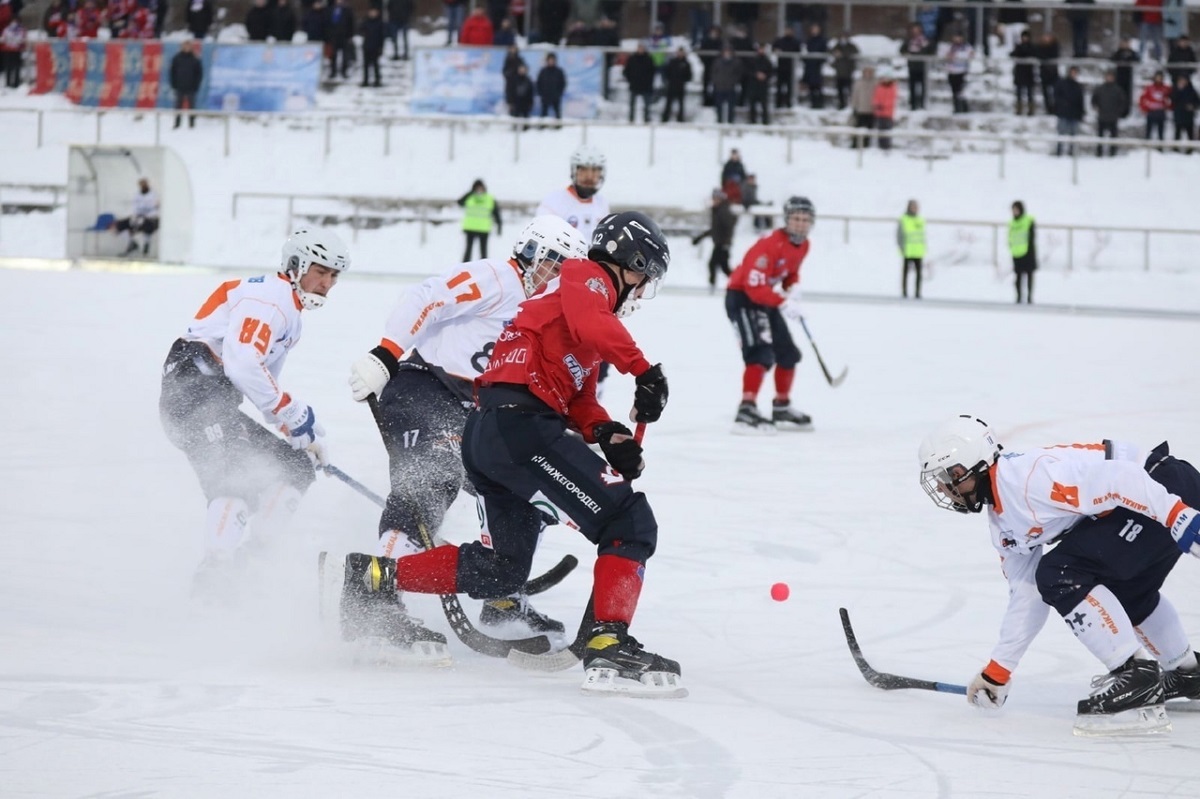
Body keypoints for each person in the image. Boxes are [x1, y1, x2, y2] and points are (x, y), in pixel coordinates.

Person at [339, 212, 684, 697]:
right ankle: (609, 643)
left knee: (502, 567)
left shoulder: (575, 315)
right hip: (518, 427)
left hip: (487, 433)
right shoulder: (585, 277)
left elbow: (580, 398)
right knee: (630, 523)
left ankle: (374, 577)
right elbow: (591, 322)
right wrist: (645, 371)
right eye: (643, 280)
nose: (641, 293)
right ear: (630, 265)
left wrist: (609, 435)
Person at [345, 216, 589, 642]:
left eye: (567, 272)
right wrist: (386, 353)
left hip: (474, 409)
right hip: (425, 386)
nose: (558, 278)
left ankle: (501, 595)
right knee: (430, 478)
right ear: (531, 254)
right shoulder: (497, 278)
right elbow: (428, 296)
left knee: (528, 491)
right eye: (555, 265)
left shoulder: (544, 312)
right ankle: (373, 598)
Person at [917, 415, 1200, 733]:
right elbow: (1027, 593)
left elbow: (1119, 478)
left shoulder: (1029, 479)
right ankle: (1188, 672)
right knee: (1123, 591)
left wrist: (1179, 515)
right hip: (1154, 499)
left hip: (1162, 490)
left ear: (966, 469)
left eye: (946, 478)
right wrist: (999, 669)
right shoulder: (1002, 521)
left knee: (1060, 571)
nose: (944, 489)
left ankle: (1134, 674)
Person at [159, 229, 346, 592]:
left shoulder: (289, 314)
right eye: (321, 271)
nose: (327, 283)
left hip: (213, 397)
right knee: (233, 480)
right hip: (193, 390)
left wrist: (296, 434)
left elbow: (259, 382)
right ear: (297, 265)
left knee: (295, 467)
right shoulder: (270, 300)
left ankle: (252, 560)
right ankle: (215, 573)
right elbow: (243, 364)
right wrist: (291, 413)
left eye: (334, 275)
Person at [725, 196, 815, 434]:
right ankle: (746, 409)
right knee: (760, 353)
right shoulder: (769, 246)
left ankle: (782, 406)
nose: (800, 224)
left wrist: (793, 286)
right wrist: (784, 302)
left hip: (765, 299)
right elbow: (753, 287)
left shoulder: (804, 245)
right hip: (743, 297)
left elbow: (789, 273)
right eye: (796, 218)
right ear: (786, 220)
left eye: (805, 220)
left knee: (788, 353)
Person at [535, 144, 610, 244]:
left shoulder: (602, 204)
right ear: (574, 171)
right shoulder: (553, 202)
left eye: (595, 171)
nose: (589, 177)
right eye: (583, 170)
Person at [692, 188, 737, 292]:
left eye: (716, 198)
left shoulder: (724, 211)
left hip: (722, 244)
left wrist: (726, 243)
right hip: (719, 243)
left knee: (717, 265)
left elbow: (729, 228)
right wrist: (700, 238)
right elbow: (714, 229)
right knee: (721, 266)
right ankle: (736, 284)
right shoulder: (717, 210)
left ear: (721, 199)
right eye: (713, 198)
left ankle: (737, 285)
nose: (714, 200)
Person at [111, 177, 160, 257]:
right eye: (141, 184)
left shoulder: (154, 194)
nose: (143, 185)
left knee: (145, 226)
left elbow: (155, 208)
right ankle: (132, 244)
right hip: (138, 217)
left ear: (147, 184)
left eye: (144, 183)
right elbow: (135, 208)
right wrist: (135, 216)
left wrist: (146, 215)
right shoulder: (137, 195)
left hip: (151, 218)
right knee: (120, 225)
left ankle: (146, 247)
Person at [457, 179, 502, 261]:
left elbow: (496, 213)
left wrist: (499, 225)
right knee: (468, 251)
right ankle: (464, 267)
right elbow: (459, 202)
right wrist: (470, 193)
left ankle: (484, 268)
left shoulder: (489, 198)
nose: (479, 190)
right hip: (470, 227)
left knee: (483, 252)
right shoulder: (470, 197)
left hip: (483, 229)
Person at [1092, 70, 1128, 157]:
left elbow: (1123, 102)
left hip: (1113, 117)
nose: (1109, 78)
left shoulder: (1118, 90)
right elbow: (1094, 100)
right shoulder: (1100, 89)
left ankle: (1113, 152)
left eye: (1111, 76)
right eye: (1108, 76)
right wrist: (1096, 107)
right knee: (1100, 136)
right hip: (1102, 116)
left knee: (1113, 136)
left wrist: (1118, 112)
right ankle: (1099, 152)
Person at [169, 40, 203, 130]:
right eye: (184, 46)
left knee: (192, 106)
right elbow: (172, 72)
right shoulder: (177, 58)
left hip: (191, 87)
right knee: (178, 106)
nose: (186, 48)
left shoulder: (195, 59)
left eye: (188, 46)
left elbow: (199, 74)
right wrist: (174, 84)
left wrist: (196, 85)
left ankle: (191, 124)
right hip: (179, 87)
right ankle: (177, 123)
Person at [1008, 200, 1036, 304]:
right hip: (1016, 252)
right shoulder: (1012, 222)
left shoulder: (1028, 220)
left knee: (1029, 276)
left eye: (1016, 209)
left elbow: (1032, 236)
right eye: (1013, 210)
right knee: (1018, 277)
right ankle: (1019, 297)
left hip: (1028, 252)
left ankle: (1029, 298)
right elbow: (1010, 236)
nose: (1014, 212)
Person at [1054, 66, 1085, 156]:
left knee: (1074, 135)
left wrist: (1081, 113)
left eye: (1075, 73)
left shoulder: (1078, 86)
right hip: (1063, 113)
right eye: (1072, 72)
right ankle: (1059, 152)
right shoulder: (1062, 84)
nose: (1074, 74)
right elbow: (1057, 97)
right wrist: (1061, 106)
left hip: (1074, 114)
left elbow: (1080, 101)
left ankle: (1072, 152)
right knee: (1061, 134)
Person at [897, 199, 925, 299]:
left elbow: (921, 235)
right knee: (905, 273)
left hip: (918, 251)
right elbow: (899, 235)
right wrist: (901, 247)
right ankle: (904, 292)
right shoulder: (904, 219)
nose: (916, 208)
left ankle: (917, 293)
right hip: (908, 250)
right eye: (914, 206)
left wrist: (923, 248)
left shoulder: (919, 219)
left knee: (919, 274)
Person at [624, 41, 656, 124]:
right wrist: (631, 80)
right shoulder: (632, 58)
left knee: (647, 105)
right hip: (634, 85)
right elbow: (626, 71)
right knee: (632, 104)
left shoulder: (648, 59)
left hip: (646, 86)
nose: (640, 49)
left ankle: (646, 119)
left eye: (642, 48)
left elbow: (652, 72)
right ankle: (631, 119)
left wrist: (649, 82)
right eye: (639, 48)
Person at [661, 47, 693, 123]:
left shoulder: (686, 63)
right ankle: (665, 118)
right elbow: (666, 72)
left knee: (681, 104)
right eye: (679, 52)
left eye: (682, 52)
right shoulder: (672, 62)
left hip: (681, 86)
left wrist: (683, 80)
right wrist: (668, 80)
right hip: (671, 85)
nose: (680, 54)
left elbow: (689, 76)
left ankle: (680, 118)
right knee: (668, 103)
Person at [1139, 71, 1171, 145]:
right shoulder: (1149, 88)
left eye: (1160, 77)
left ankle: (1160, 148)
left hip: (1161, 112)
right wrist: (1144, 108)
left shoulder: (1166, 88)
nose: (1159, 79)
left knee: (1161, 131)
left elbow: (1171, 98)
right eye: (1157, 77)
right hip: (1151, 112)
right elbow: (1142, 98)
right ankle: (1147, 147)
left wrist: (1168, 106)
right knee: (1149, 131)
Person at [1011, 29, 1037, 116]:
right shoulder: (1019, 46)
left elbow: (1034, 54)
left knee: (1030, 93)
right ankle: (1019, 109)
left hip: (1029, 73)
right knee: (1018, 93)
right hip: (1019, 73)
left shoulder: (1032, 47)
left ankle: (1031, 110)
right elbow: (1013, 54)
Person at [359, 5, 385, 87]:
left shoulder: (380, 23)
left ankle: (377, 80)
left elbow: (382, 36)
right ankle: (365, 80)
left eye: (374, 12)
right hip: (366, 46)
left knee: (375, 64)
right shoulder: (366, 21)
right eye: (371, 12)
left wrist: (381, 47)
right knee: (366, 65)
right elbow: (361, 30)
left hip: (376, 46)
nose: (372, 14)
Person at [535, 52, 566, 120]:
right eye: (550, 60)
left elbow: (563, 83)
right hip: (545, 96)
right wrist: (541, 93)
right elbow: (538, 83)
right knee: (543, 112)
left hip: (555, 96)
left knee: (557, 113)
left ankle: (558, 127)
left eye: (553, 60)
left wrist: (558, 93)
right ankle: (542, 126)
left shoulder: (559, 71)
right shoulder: (543, 71)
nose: (551, 61)